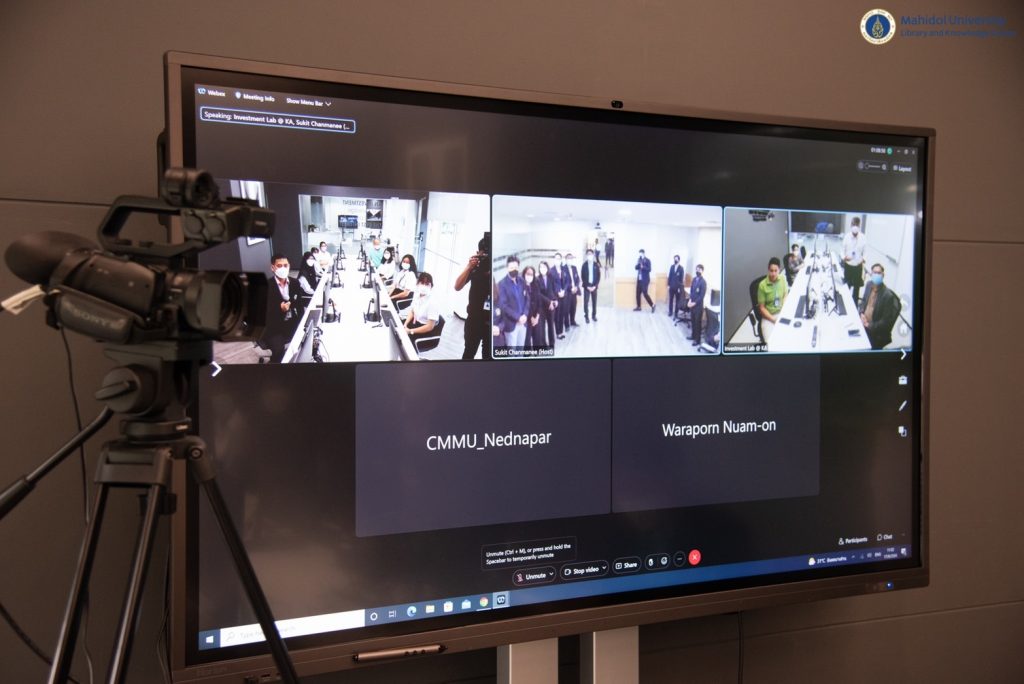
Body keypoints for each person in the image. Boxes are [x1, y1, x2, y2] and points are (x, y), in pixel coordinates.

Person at [262, 254, 306, 363]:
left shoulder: (295, 283)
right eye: (279, 266)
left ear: (289, 266)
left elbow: (300, 306)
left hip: (292, 323)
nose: (283, 268)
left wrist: (303, 324)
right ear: (273, 268)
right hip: (274, 328)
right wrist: (279, 309)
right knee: (279, 354)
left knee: (305, 343)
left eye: (285, 265)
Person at [454, 235, 492, 360]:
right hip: (474, 320)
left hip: (492, 321)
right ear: (477, 254)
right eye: (484, 255)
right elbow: (457, 286)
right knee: (469, 353)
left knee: (488, 356)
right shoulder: (475, 268)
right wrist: (469, 267)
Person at [859, 263, 901, 349]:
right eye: (874, 272)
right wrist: (861, 313)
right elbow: (863, 301)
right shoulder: (869, 284)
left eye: (879, 273)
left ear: (883, 275)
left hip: (874, 331)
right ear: (871, 274)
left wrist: (869, 325)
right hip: (863, 323)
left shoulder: (888, 296)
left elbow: (885, 322)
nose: (877, 275)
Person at [496, 255, 529, 348]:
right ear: (507, 268)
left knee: (521, 349)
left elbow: (527, 299)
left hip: (523, 323)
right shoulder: (501, 284)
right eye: (511, 268)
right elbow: (503, 306)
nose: (514, 270)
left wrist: (525, 315)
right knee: (512, 352)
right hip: (511, 325)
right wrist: (518, 317)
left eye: (516, 267)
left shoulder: (522, 281)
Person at [404, 272, 442, 345]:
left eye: (427, 284)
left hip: (425, 331)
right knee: (398, 328)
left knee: (403, 341)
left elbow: (429, 327)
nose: (424, 286)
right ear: (418, 283)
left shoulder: (432, 302)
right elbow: (412, 311)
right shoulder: (417, 295)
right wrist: (405, 324)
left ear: (431, 286)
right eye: (422, 283)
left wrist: (410, 331)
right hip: (416, 324)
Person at [757, 256, 788, 342]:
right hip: (769, 317)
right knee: (770, 343)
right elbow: (761, 308)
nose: (773, 274)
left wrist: (784, 309)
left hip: (781, 312)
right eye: (771, 271)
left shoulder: (782, 278)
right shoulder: (762, 285)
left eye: (776, 270)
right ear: (768, 270)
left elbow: (785, 294)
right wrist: (773, 319)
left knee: (788, 337)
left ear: (779, 270)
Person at [523, 265, 549, 350]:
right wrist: (531, 317)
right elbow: (525, 304)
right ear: (524, 274)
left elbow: (539, 302)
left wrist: (537, 317)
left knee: (537, 339)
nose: (529, 276)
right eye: (528, 274)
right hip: (527, 318)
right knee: (527, 341)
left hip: (536, 317)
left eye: (531, 274)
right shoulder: (522, 287)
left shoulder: (535, 285)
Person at [842, 217, 866, 305]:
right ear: (851, 225)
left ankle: (855, 304)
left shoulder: (863, 237)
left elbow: (866, 252)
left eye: (857, 225)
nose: (855, 226)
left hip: (858, 266)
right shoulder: (847, 237)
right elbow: (842, 250)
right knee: (846, 286)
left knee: (856, 288)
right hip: (848, 265)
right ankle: (845, 303)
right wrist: (844, 257)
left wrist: (863, 259)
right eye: (853, 224)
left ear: (859, 226)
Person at [536, 261, 558, 349]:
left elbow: (554, 290)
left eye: (544, 267)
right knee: (542, 326)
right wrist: (549, 302)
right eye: (541, 267)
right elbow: (538, 294)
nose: (542, 269)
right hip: (542, 306)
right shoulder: (537, 279)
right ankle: (544, 344)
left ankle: (552, 343)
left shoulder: (551, 277)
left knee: (551, 325)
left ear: (547, 268)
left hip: (551, 305)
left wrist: (555, 300)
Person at [687, 263, 707, 347]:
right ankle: (693, 335)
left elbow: (701, 296)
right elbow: (691, 291)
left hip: (698, 306)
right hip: (692, 304)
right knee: (692, 321)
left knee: (697, 323)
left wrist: (693, 303)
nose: (697, 271)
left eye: (699, 270)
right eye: (697, 269)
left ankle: (697, 340)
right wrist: (690, 300)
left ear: (702, 271)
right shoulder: (694, 279)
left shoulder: (703, 282)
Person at [550, 252, 568, 339]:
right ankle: (557, 333)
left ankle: (561, 331)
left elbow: (567, 281)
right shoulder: (551, 271)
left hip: (563, 295)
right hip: (556, 296)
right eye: (556, 258)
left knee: (562, 314)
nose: (557, 260)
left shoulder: (563, 269)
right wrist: (558, 292)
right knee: (557, 315)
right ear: (554, 260)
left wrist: (564, 290)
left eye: (559, 259)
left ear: (561, 260)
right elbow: (552, 284)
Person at [580, 248, 601, 323]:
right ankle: (586, 317)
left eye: (591, 254)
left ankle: (594, 315)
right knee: (586, 302)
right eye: (588, 254)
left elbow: (598, 276)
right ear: (586, 255)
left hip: (594, 286)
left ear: (593, 255)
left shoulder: (596, 265)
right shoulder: (584, 265)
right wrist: (587, 286)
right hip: (587, 286)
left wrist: (595, 285)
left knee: (594, 302)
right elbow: (582, 277)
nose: (589, 255)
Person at [634, 248, 654, 313]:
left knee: (645, 293)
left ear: (643, 253)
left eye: (641, 253)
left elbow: (649, 269)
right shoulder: (639, 260)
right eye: (639, 253)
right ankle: (638, 307)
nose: (640, 255)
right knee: (637, 293)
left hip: (645, 280)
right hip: (639, 280)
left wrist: (643, 267)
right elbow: (636, 268)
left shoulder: (648, 260)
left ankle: (653, 305)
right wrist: (638, 264)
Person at [565, 252, 581, 326]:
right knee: (567, 308)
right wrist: (571, 288)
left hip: (574, 291)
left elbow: (577, 279)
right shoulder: (563, 268)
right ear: (566, 259)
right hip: (568, 292)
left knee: (573, 307)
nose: (570, 260)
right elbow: (564, 281)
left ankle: (572, 321)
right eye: (568, 258)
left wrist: (576, 287)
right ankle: (567, 324)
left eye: (571, 258)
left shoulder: (574, 268)